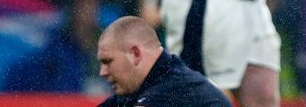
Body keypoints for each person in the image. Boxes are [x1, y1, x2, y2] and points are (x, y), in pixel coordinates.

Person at [97, 16, 232, 107]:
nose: (102, 72)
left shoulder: (173, 90)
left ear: (135, 54)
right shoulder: (149, 84)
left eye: (108, 61)